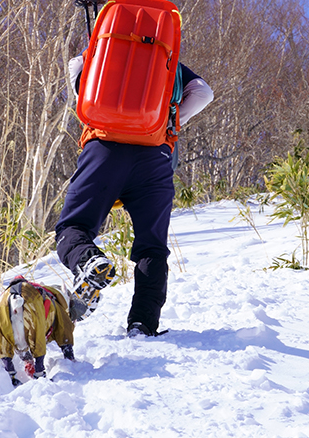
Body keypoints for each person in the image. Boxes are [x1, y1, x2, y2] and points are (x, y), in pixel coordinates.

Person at [55, 52, 213, 337]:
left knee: (73, 226)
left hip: (104, 149)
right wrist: (169, 125)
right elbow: (203, 93)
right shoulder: (166, 61)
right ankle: (142, 325)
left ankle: (89, 261)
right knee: (152, 247)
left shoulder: (100, 51)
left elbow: (75, 73)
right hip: (155, 154)